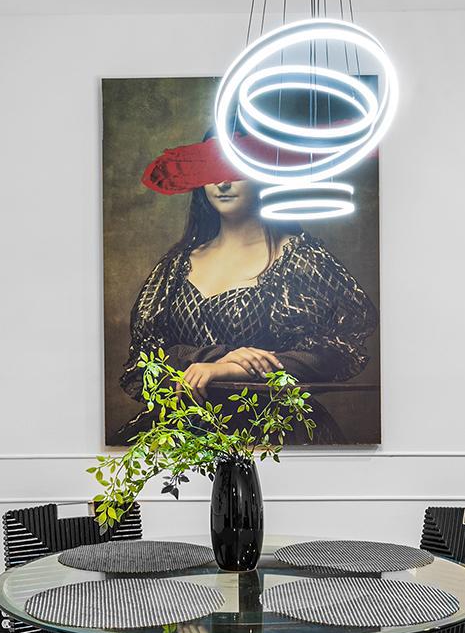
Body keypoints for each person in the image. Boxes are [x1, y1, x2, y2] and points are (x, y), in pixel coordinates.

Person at [120, 131, 375, 443]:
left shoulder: (299, 259)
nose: (221, 183)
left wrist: (238, 371)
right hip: (185, 434)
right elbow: (143, 362)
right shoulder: (174, 267)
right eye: (210, 171)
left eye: (234, 170)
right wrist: (215, 358)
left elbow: (335, 351)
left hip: (274, 432)